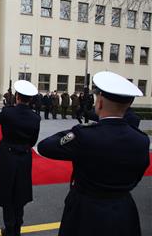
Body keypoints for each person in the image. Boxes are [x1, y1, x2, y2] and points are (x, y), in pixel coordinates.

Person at [37, 71, 150, 236]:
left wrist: (75, 131)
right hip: (124, 210)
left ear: (100, 102)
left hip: (86, 211)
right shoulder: (141, 140)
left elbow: (45, 147)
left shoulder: (85, 135)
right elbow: (138, 174)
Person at [0, 80, 41, 236]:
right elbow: (33, 141)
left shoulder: (8, 112)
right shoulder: (35, 118)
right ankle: (17, 229)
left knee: (7, 194)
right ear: (30, 99)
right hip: (24, 157)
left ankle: (10, 230)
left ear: (17, 97)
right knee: (20, 194)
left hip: (7, 157)